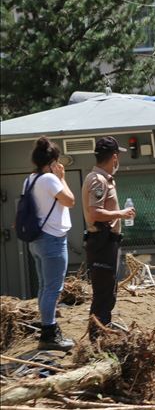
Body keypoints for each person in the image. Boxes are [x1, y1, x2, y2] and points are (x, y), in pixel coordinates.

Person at [24, 137, 76, 351]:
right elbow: (70, 201)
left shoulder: (30, 179)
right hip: (52, 240)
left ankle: (48, 330)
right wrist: (62, 178)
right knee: (53, 288)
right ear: (53, 161)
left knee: (45, 287)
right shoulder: (50, 179)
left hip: (36, 240)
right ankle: (49, 334)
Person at [82, 136, 134, 340]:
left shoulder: (103, 179)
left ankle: (103, 329)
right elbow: (95, 213)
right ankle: (98, 335)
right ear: (114, 157)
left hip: (107, 241)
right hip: (101, 241)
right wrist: (121, 214)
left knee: (108, 289)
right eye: (117, 156)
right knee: (103, 291)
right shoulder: (98, 180)